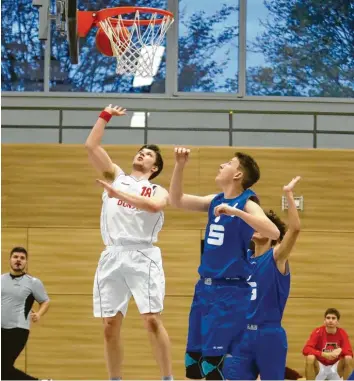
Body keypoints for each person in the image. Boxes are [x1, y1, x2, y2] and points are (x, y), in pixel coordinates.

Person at [169, 147, 280, 380]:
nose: (222, 165)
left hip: (229, 292)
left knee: (213, 368)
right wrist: (179, 166)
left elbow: (273, 231)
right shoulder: (215, 200)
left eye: (228, 163)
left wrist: (236, 213)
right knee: (193, 366)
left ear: (238, 175)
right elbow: (176, 200)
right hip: (204, 289)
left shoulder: (246, 202)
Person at [85, 104, 173, 381]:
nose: (141, 154)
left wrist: (115, 194)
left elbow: (153, 206)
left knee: (151, 320)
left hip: (142, 254)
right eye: (140, 151)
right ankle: (115, 379)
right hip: (112, 254)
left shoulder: (158, 188)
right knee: (109, 325)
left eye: (148, 154)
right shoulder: (117, 177)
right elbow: (91, 146)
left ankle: (167, 378)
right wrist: (105, 115)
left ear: (154, 166)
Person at [224, 176, 302, 380]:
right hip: (242, 335)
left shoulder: (276, 256)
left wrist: (288, 194)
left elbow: (295, 229)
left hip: (269, 334)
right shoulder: (244, 260)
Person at [1, 246, 50, 380]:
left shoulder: (33, 283)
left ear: (26, 262)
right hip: (1, 329)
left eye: (22, 258)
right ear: (10, 260)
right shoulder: (1, 279)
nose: (18, 260)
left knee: (3, 368)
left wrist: (39, 314)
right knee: (3, 371)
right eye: (15, 257)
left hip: (18, 330)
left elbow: (45, 301)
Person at [303, 308, 353, 380]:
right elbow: (306, 349)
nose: (330, 320)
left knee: (348, 358)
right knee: (310, 357)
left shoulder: (342, 333)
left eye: (333, 318)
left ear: (337, 322)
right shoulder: (318, 332)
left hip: (336, 368)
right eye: (328, 318)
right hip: (320, 367)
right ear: (324, 321)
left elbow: (350, 352)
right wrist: (323, 354)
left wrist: (340, 350)